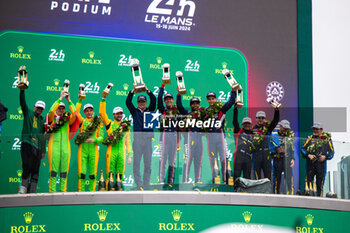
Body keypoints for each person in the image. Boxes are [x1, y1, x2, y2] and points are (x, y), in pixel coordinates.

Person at [126, 84, 156, 188]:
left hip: (148, 141)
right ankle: (139, 184)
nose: (142, 103)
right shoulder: (134, 111)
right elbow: (128, 102)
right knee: (136, 164)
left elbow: (154, 99)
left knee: (148, 164)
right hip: (137, 141)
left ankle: (146, 184)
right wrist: (133, 91)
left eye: (143, 101)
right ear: (137, 102)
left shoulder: (150, 110)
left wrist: (147, 90)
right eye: (139, 102)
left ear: (146, 102)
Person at [46, 91, 77, 192]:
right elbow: (51, 111)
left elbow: (75, 114)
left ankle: (63, 192)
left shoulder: (67, 119)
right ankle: (52, 192)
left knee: (64, 172)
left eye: (63, 108)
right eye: (59, 107)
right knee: (53, 171)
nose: (61, 109)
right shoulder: (52, 118)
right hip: (53, 146)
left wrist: (69, 101)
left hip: (65, 147)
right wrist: (60, 99)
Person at [100, 94, 132, 190]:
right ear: (113, 115)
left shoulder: (125, 126)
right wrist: (103, 99)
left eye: (121, 113)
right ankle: (106, 190)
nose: (119, 115)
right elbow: (102, 114)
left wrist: (130, 155)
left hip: (122, 153)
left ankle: (119, 192)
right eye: (117, 113)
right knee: (109, 173)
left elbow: (128, 141)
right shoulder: (110, 123)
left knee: (120, 174)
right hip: (111, 151)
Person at [18, 89, 46, 194]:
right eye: (38, 107)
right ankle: (23, 188)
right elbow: (22, 102)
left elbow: (43, 137)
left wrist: (43, 151)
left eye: (41, 108)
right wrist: (22, 91)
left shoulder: (42, 121)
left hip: (38, 147)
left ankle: (32, 190)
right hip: (27, 143)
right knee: (27, 165)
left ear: (43, 110)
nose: (39, 109)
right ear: (34, 107)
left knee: (35, 169)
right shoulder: (28, 112)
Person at [205, 90, 236, 183]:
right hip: (210, 138)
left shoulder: (221, 108)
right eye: (209, 99)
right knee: (212, 158)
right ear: (207, 100)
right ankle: (215, 179)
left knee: (223, 158)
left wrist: (233, 91)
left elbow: (230, 102)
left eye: (212, 99)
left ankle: (226, 180)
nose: (211, 101)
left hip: (220, 136)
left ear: (216, 99)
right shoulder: (205, 111)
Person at [75, 98, 104, 192]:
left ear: (93, 111)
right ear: (84, 112)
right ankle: (81, 192)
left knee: (92, 174)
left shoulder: (98, 122)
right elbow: (76, 112)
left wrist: (94, 140)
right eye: (87, 111)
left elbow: (102, 137)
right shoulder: (82, 121)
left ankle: (92, 192)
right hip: (82, 150)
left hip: (93, 150)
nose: (89, 112)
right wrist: (79, 101)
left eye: (90, 110)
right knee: (82, 173)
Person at [301, 122, 334, 196]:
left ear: (321, 130)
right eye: (314, 129)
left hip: (321, 166)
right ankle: (307, 203)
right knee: (308, 185)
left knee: (319, 185)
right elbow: (302, 149)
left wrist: (325, 157)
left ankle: (319, 202)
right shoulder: (309, 138)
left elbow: (332, 152)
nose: (315, 131)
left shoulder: (327, 139)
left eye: (317, 129)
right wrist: (308, 155)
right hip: (310, 164)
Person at [177, 95, 203, 183]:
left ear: (199, 105)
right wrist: (179, 94)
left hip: (199, 138)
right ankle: (185, 181)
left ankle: (198, 181)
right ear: (190, 105)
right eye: (193, 104)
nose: (195, 105)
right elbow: (179, 106)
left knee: (198, 161)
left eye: (197, 103)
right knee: (187, 160)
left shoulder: (203, 115)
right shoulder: (186, 113)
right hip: (189, 138)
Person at [158, 84, 178, 184]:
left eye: (170, 99)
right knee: (162, 160)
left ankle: (171, 182)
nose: (168, 100)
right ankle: (161, 181)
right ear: (165, 101)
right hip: (164, 137)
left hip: (173, 137)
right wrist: (163, 86)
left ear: (173, 100)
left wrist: (179, 93)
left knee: (172, 161)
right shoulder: (163, 110)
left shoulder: (177, 111)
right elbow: (158, 99)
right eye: (167, 99)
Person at [252, 107, 279, 180]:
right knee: (257, 176)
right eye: (259, 118)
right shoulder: (253, 129)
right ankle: (257, 191)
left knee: (268, 176)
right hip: (256, 154)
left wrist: (276, 110)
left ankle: (268, 191)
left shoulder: (268, 128)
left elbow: (275, 121)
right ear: (256, 119)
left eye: (262, 118)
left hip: (266, 153)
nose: (260, 119)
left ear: (265, 119)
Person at [269, 120, 295, 194]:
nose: (285, 130)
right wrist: (277, 150)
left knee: (289, 180)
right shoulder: (273, 135)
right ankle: (275, 196)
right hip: (277, 159)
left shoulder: (289, 135)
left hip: (287, 160)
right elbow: (270, 148)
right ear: (280, 126)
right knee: (277, 180)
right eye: (284, 128)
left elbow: (291, 148)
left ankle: (290, 196)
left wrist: (292, 158)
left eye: (287, 129)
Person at [232, 107, 254, 181]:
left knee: (247, 176)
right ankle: (235, 191)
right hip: (238, 155)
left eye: (248, 123)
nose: (247, 125)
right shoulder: (238, 130)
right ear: (242, 124)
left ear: (251, 125)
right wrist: (235, 109)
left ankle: (246, 192)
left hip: (248, 157)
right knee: (236, 175)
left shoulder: (253, 134)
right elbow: (235, 121)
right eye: (245, 123)